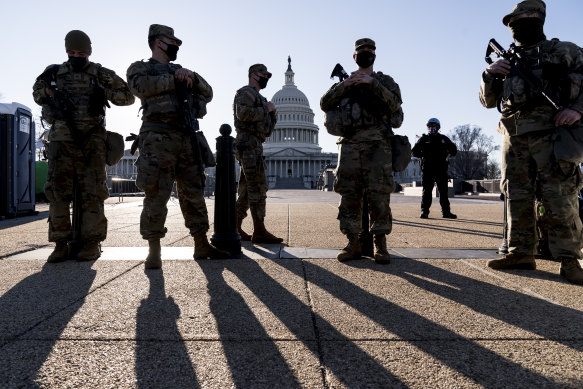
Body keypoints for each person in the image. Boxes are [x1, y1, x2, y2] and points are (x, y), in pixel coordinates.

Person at [479, 0, 583, 284]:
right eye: (514, 19)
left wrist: (577, 109)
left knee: (560, 195)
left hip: (553, 133)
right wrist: (489, 74)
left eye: (524, 16)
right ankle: (521, 252)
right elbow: (488, 102)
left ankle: (569, 260)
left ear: (540, 17)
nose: (517, 23)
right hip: (513, 137)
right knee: (516, 196)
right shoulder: (506, 59)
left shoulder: (566, 51)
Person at [126, 24, 229, 269]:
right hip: (156, 138)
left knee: (194, 192)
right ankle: (154, 249)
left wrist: (191, 76)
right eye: (171, 42)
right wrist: (173, 79)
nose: (175, 46)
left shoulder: (183, 71)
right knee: (156, 194)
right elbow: (139, 88)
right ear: (156, 42)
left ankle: (201, 243)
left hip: (186, 138)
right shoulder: (141, 68)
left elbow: (209, 92)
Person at [32, 30, 134, 263]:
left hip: (92, 140)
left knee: (93, 192)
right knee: (58, 193)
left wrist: (104, 90)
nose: (75, 56)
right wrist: (48, 92)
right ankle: (60, 244)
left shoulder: (100, 73)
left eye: (80, 52)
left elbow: (127, 97)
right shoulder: (54, 72)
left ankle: (92, 242)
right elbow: (37, 92)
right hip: (61, 140)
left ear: (88, 51)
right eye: (71, 52)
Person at [321, 38, 404, 264]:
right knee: (349, 195)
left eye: (369, 52)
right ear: (354, 57)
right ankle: (352, 242)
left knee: (379, 195)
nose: (365, 55)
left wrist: (372, 84)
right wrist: (345, 85)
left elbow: (396, 105)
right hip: (349, 145)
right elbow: (324, 103)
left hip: (378, 146)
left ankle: (380, 245)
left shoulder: (385, 81)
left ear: (374, 56)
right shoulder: (345, 82)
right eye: (361, 52)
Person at [233, 64, 283, 244]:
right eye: (264, 74)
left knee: (247, 190)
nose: (266, 78)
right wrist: (266, 110)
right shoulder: (246, 93)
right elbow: (243, 114)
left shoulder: (261, 98)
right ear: (253, 75)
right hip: (247, 144)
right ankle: (259, 230)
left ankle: (235, 227)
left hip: (255, 144)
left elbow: (268, 130)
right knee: (257, 187)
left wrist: (273, 113)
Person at [412, 118, 458, 219]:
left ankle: (446, 212)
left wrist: (448, 154)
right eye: (429, 126)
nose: (431, 128)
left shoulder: (444, 139)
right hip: (427, 169)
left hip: (441, 169)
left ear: (437, 127)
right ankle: (424, 211)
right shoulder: (423, 139)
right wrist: (423, 155)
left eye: (433, 126)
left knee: (443, 191)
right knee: (427, 191)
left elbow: (454, 149)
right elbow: (414, 151)